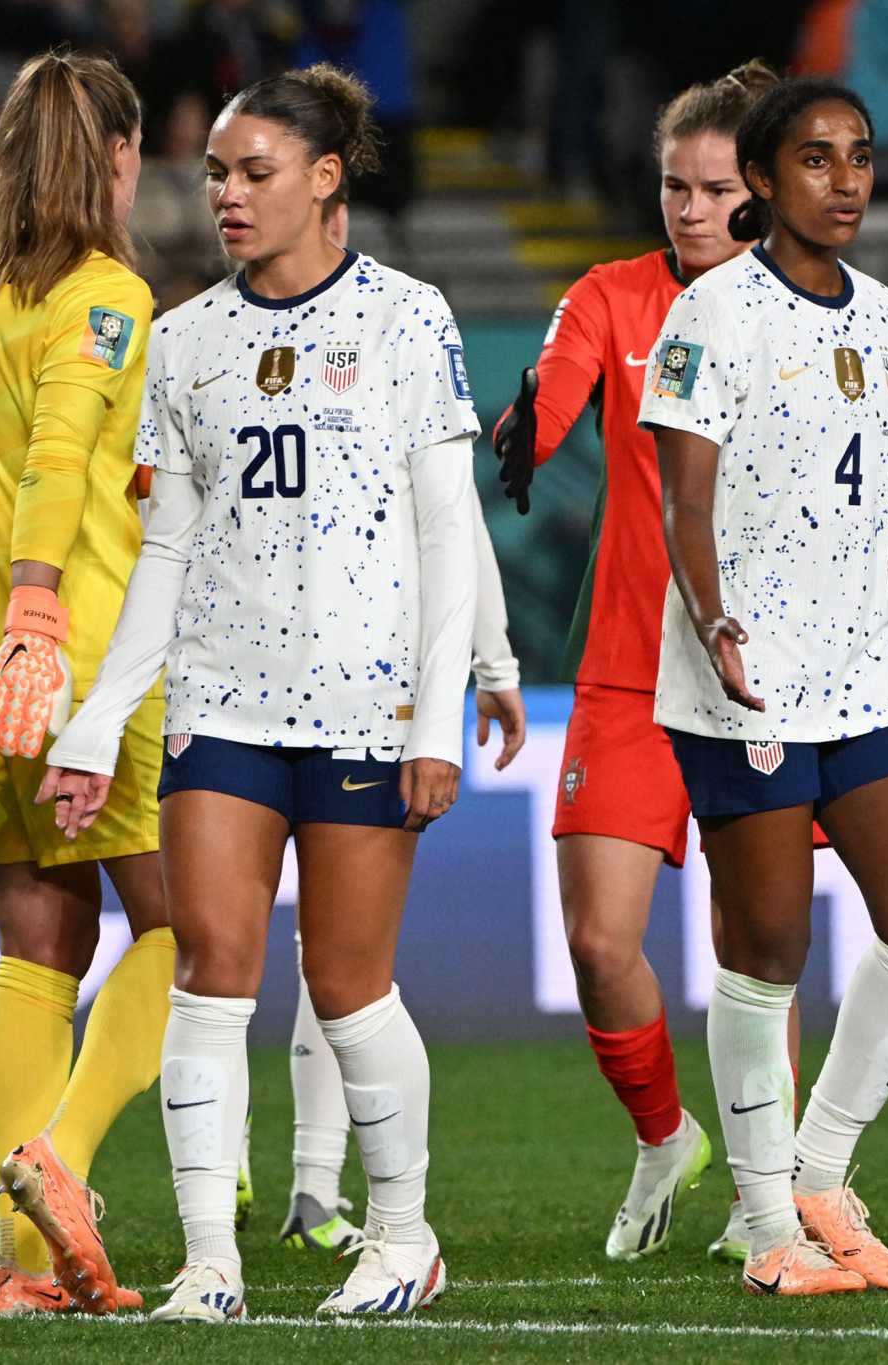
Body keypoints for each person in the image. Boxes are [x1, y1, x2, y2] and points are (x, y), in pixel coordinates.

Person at [41, 64, 482, 1321]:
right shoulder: (183, 344)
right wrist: (93, 722)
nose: (225, 197)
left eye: (253, 173)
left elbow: (446, 540)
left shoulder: (407, 319)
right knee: (206, 975)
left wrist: (433, 720)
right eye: (215, 176)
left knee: (347, 987)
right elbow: (165, 555)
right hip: (222, 707)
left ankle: (400, 1239)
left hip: (361, 710)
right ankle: (207, 1266)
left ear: (325, 178)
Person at [642, 75, 888, 1297]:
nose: (843, 179)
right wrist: (712, 617)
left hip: (861, 672)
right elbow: (680, 500)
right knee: (767, 945)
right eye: (813, 158)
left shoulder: (886, 319)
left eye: (855, 156)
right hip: (741, 681)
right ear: (761, 177)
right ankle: (763, 1228)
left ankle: (815, 1168)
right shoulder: (709, 315)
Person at [492, 60, 782, 1265]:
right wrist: (528, 420)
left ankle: (770, 1192)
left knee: (756, 950)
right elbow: (557, 385)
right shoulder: (613, 299)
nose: (689, 210)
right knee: (602, 941)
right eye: (672, 186)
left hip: (765, 674)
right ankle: (665, 1136)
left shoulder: (812, 316)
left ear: (757, 194)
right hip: (629, 665)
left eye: (714, 189)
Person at [0, 49, 171, 1319]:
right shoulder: (105, 290)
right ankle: (57, 1166)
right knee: (196, 931)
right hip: (71, 651)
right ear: (117, 155)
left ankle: (24, 1274)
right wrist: (41, 612)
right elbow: (60, 458)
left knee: (38, 947)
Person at [274, 197, 527, 1259]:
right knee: (284, 953)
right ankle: (294, 1191)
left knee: (332, 956)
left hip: (364, 682)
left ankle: (315, 1186)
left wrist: (488, 659)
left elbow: (448, 515)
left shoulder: (399, 328)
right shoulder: (228, 338)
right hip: (250, 675)